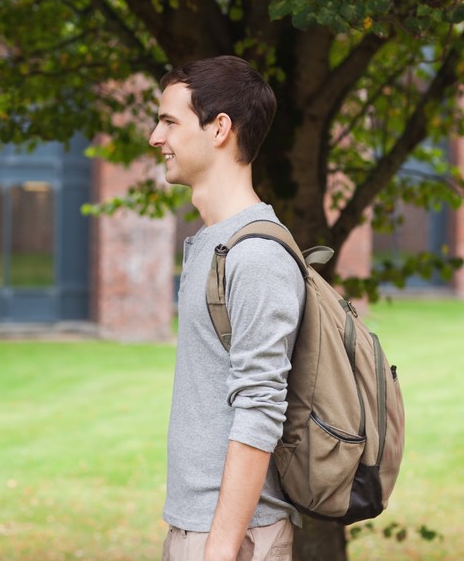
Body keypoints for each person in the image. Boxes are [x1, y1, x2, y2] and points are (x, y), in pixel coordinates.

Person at [149, 56, 305, 561]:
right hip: (200, 530)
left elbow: (261, 408)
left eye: (170, 121)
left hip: (234, 540)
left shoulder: (255, 255)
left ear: (219, 129)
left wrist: (219, 548)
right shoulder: (210, 245)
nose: (156, 137)